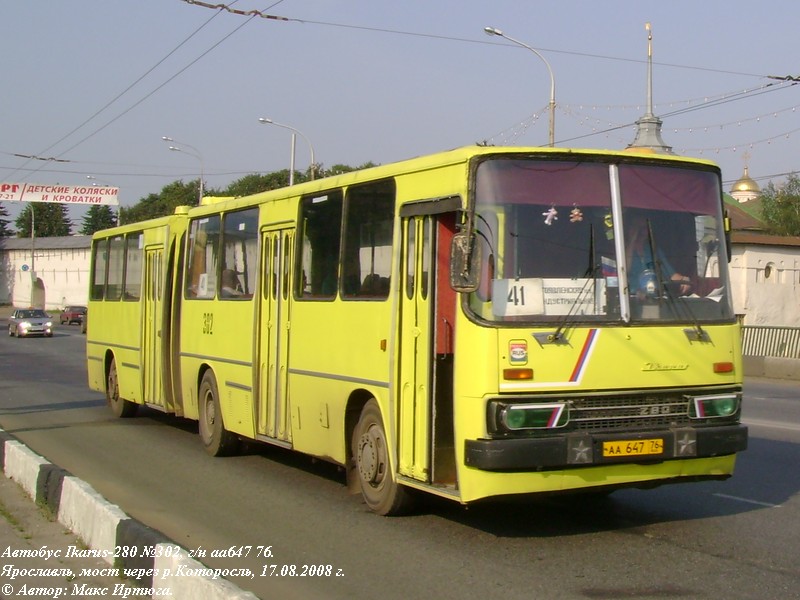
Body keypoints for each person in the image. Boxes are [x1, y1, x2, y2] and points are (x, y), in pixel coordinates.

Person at [625, 214, 691, 296]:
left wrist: (684, 279)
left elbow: (671, 275)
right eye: (637, 227)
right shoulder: (622, 250)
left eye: (644, 228)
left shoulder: (654, 250)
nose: (641, 231)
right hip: (631, 300)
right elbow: (624, 270)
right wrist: (632, 240)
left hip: (655, 299)